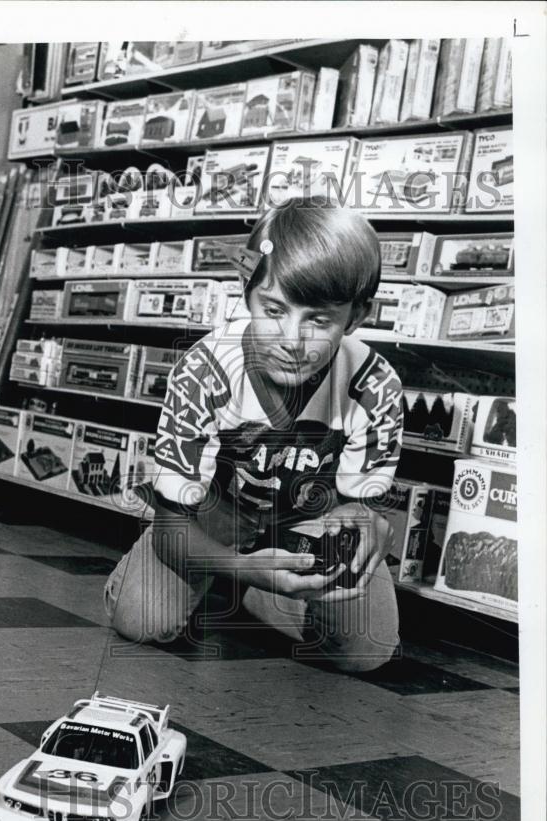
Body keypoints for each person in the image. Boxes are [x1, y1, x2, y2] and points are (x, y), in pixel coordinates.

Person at [104, 198, 404, 673]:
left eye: (320, 319)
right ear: (247, 292)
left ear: (357, 315)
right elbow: (168, 530)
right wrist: (245, 565)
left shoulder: (376, 385)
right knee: (142, 621)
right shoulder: (204, 370)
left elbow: (360, 506)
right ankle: (234, 577)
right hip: (212, 513)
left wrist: (365, 519)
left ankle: (264, 596)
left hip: (304, 521)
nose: (291, 339)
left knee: (365, 653)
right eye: (274, 309)